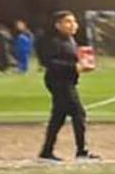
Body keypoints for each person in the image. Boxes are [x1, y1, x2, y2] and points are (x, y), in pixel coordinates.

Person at [35, 10, 96, 162]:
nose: (73, 25)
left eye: (74, 21)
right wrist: (74, 67)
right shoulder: (51, 40)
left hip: (68, 81)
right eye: (68, 21)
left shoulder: (70, 40)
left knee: (59, 116)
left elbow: (71, 60)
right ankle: (82, 152)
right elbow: (49, 62)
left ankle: (46, 151)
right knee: (79, 113)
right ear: (58, 25)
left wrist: (84, 64)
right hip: (58, 81)